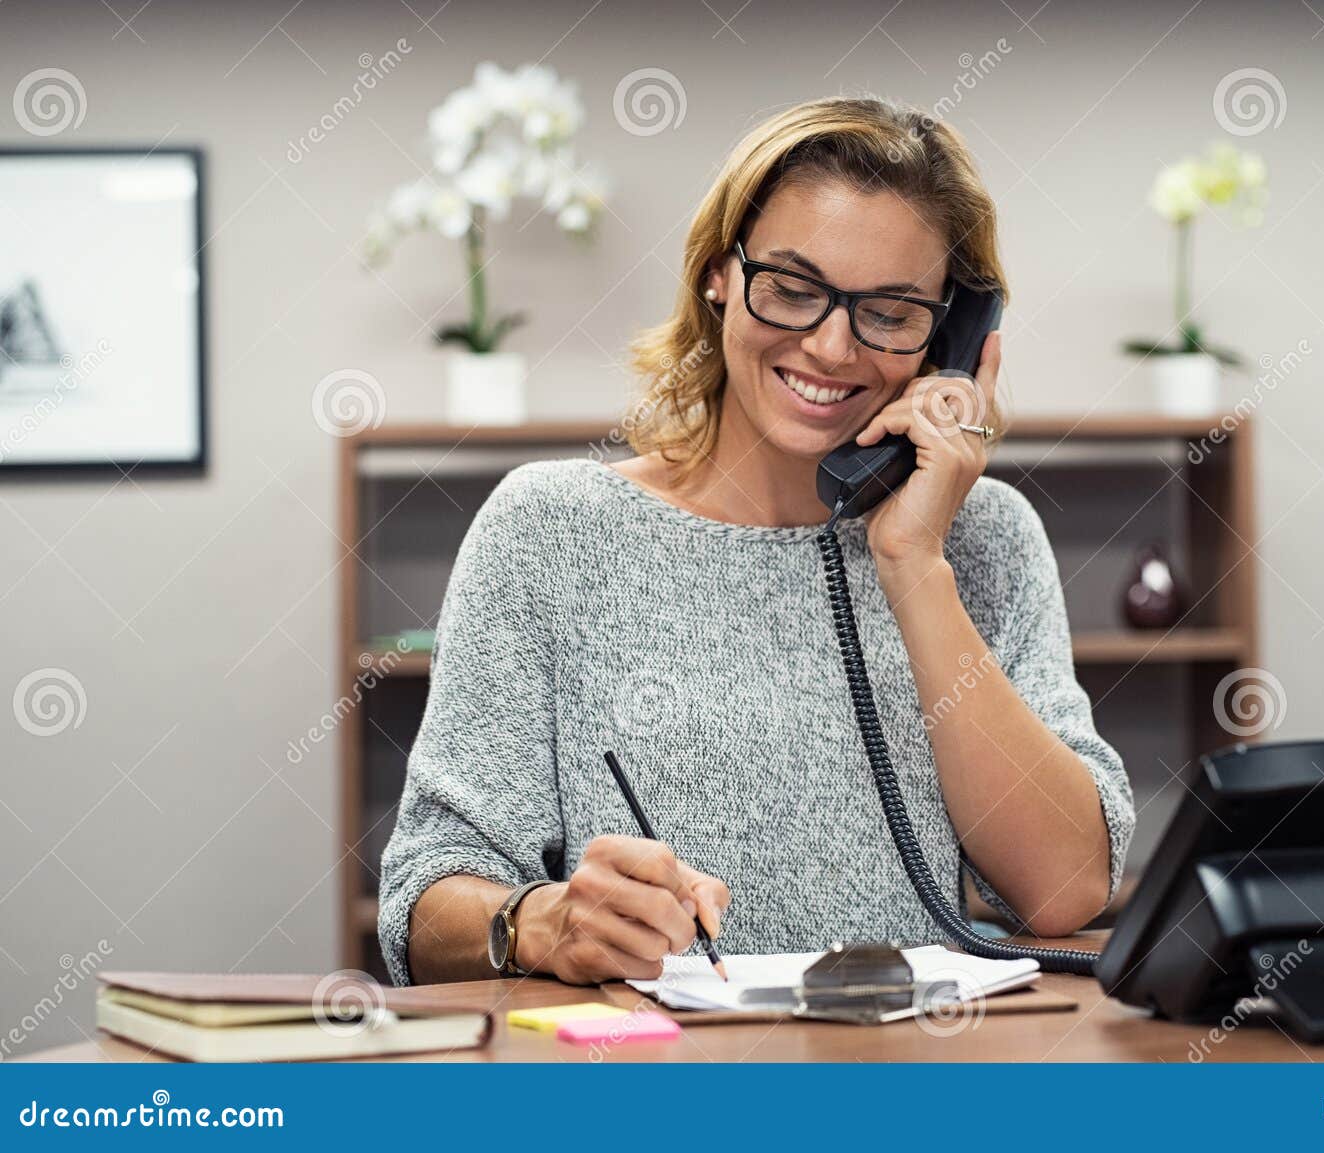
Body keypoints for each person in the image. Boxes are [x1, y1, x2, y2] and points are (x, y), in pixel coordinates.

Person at [378, 96, 1134, 987]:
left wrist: (913, 562)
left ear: (953, 335)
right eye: (792, 286)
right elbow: (422, 900)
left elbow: (1065, 890)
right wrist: (537, 921)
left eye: (889, 311)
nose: (830, 344)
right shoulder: (547, 528)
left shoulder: (983, 537)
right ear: (718, 274)